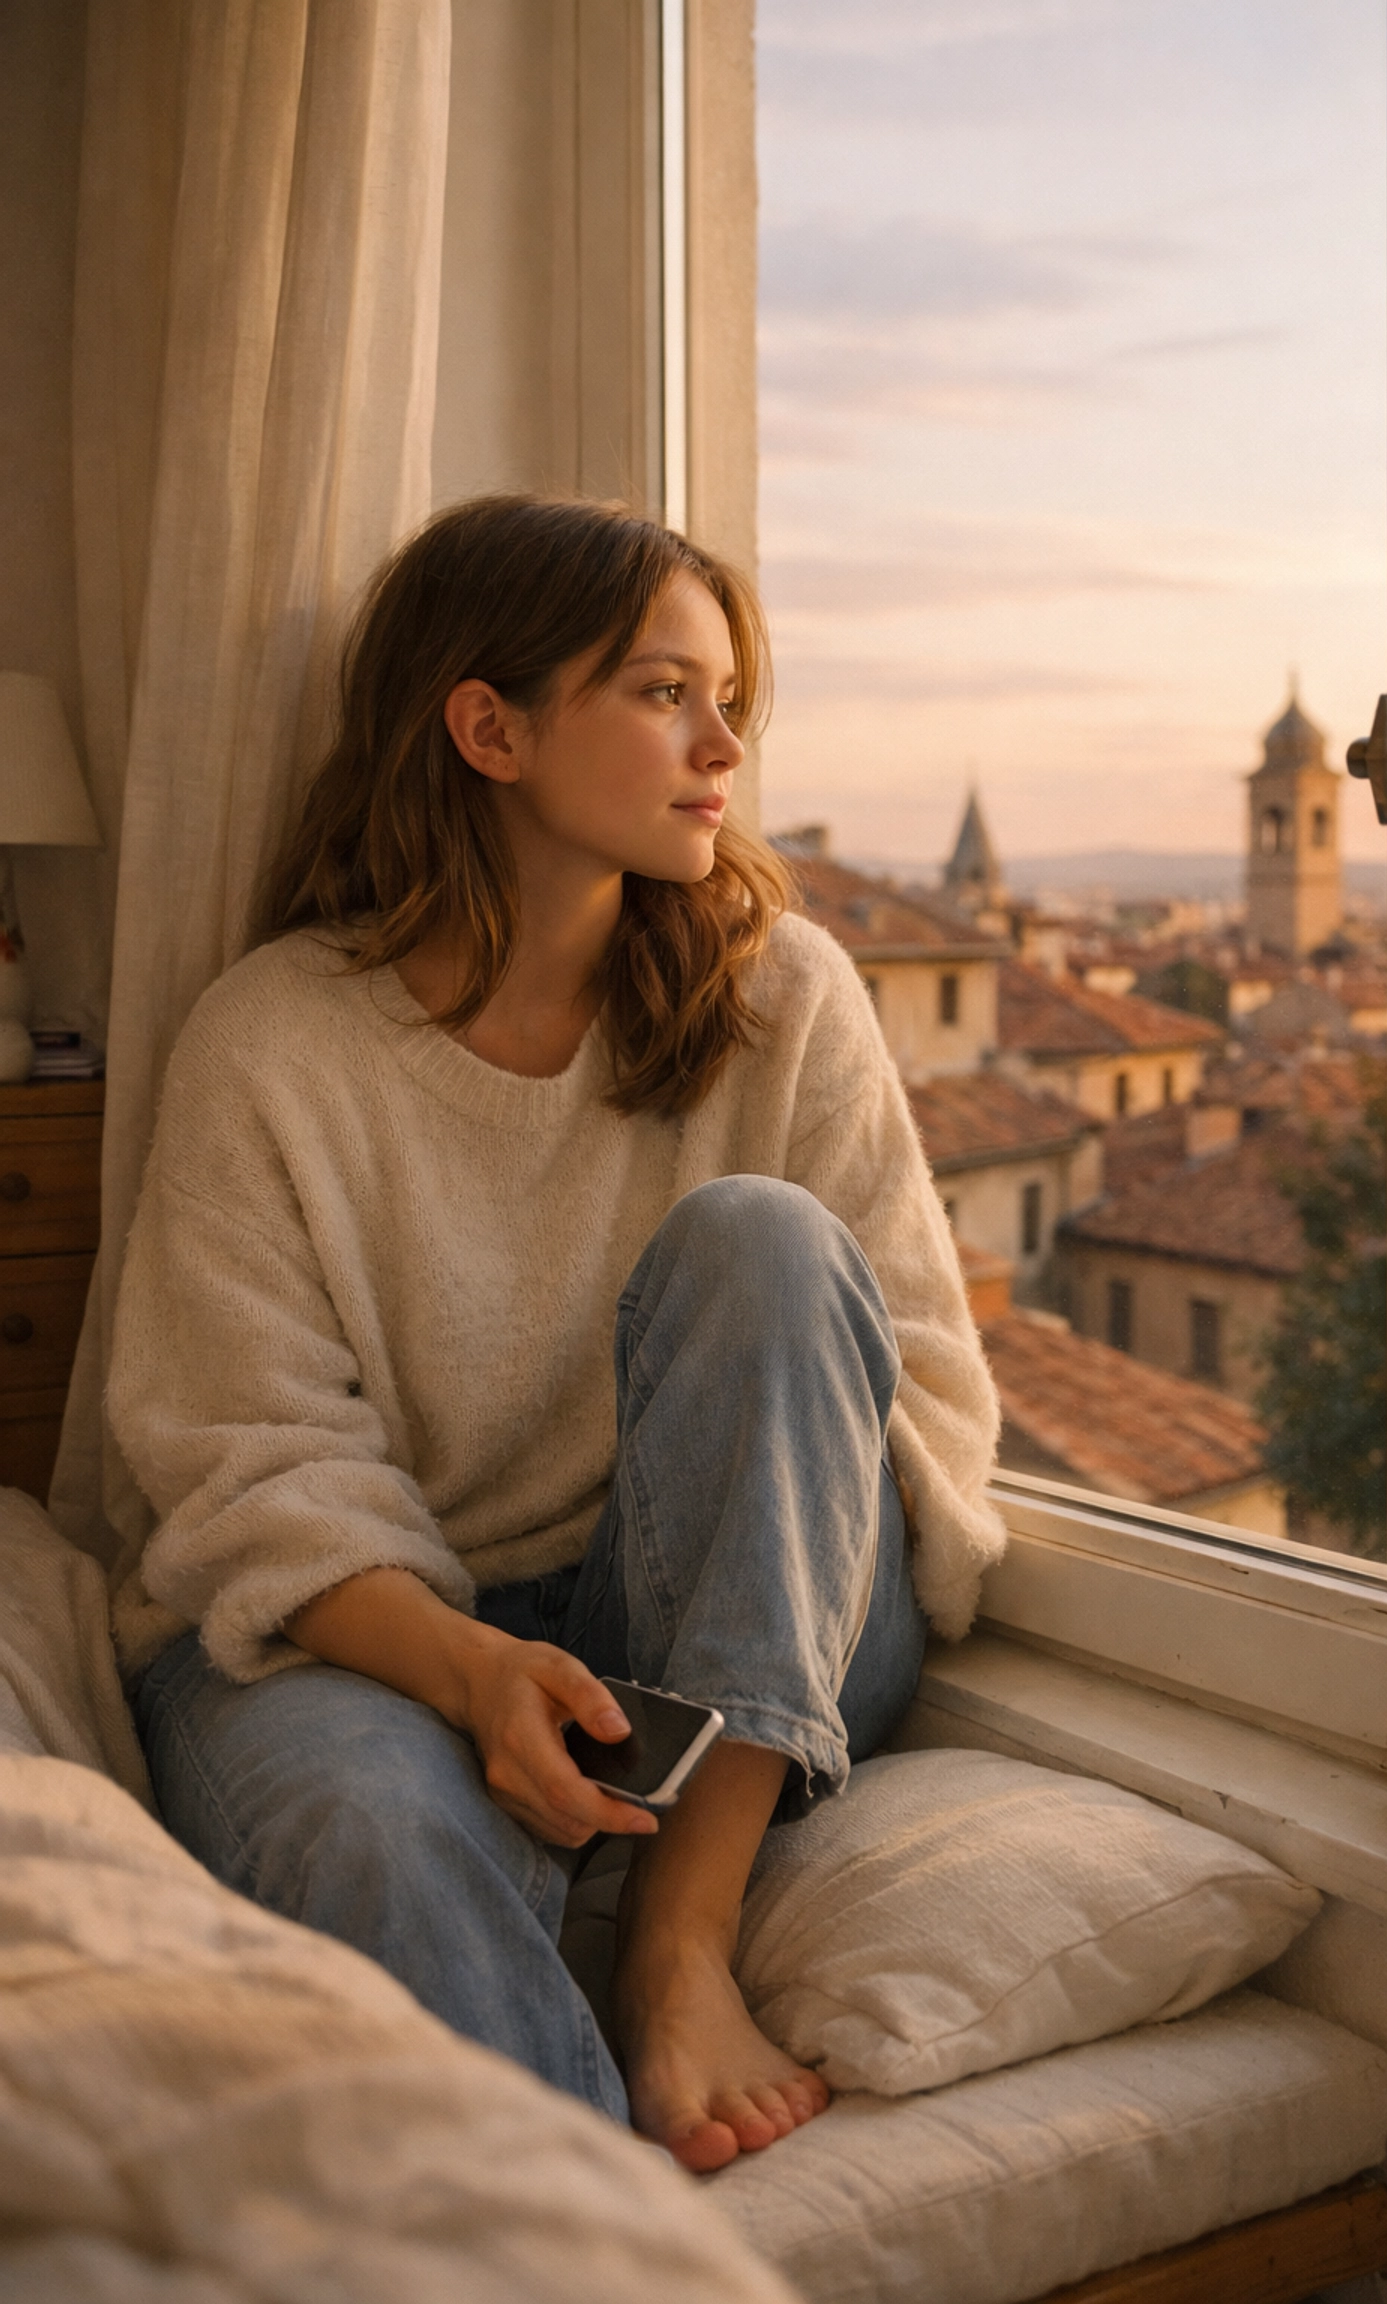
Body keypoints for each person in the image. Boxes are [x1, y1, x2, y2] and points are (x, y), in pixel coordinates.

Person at [109, 495, 1002, 2173]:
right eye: (666, 693)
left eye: (731, 696)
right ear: (489, 727)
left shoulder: (784, 995)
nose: (723, 742)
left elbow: (919, 1403)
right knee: (370, 1833)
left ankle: (677, 1948)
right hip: (364, 1622)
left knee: (766, 1244)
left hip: (740, 1604)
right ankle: (587, 2235)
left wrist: (689, 1710)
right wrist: (474, 1673)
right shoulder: (272, 1045)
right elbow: (242, 1469)